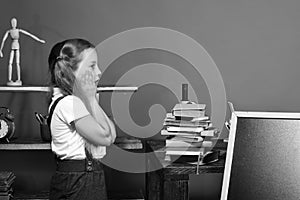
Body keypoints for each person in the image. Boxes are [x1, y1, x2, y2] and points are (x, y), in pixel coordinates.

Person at [47, 38, 116, 200]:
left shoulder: (78, 101)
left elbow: (112, 135)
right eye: (92, 66)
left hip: (88, 177)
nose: (98, 72)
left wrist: (91, 99)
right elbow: (105, 138)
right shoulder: (69, 103)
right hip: (78, 181)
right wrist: (92, 99)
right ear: (72, 71)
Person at [0, 18, 45, 86]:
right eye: (12, 22)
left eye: (15, 22)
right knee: (10, 63)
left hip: (17, 45)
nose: (14, 24)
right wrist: (0, 50)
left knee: (17, 63)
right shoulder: (9, 31)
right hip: (13, 46)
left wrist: (39, 40)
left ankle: (18, 79)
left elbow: (29, 34)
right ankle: (10, 79)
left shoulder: (18, 30)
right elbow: (3, 40)